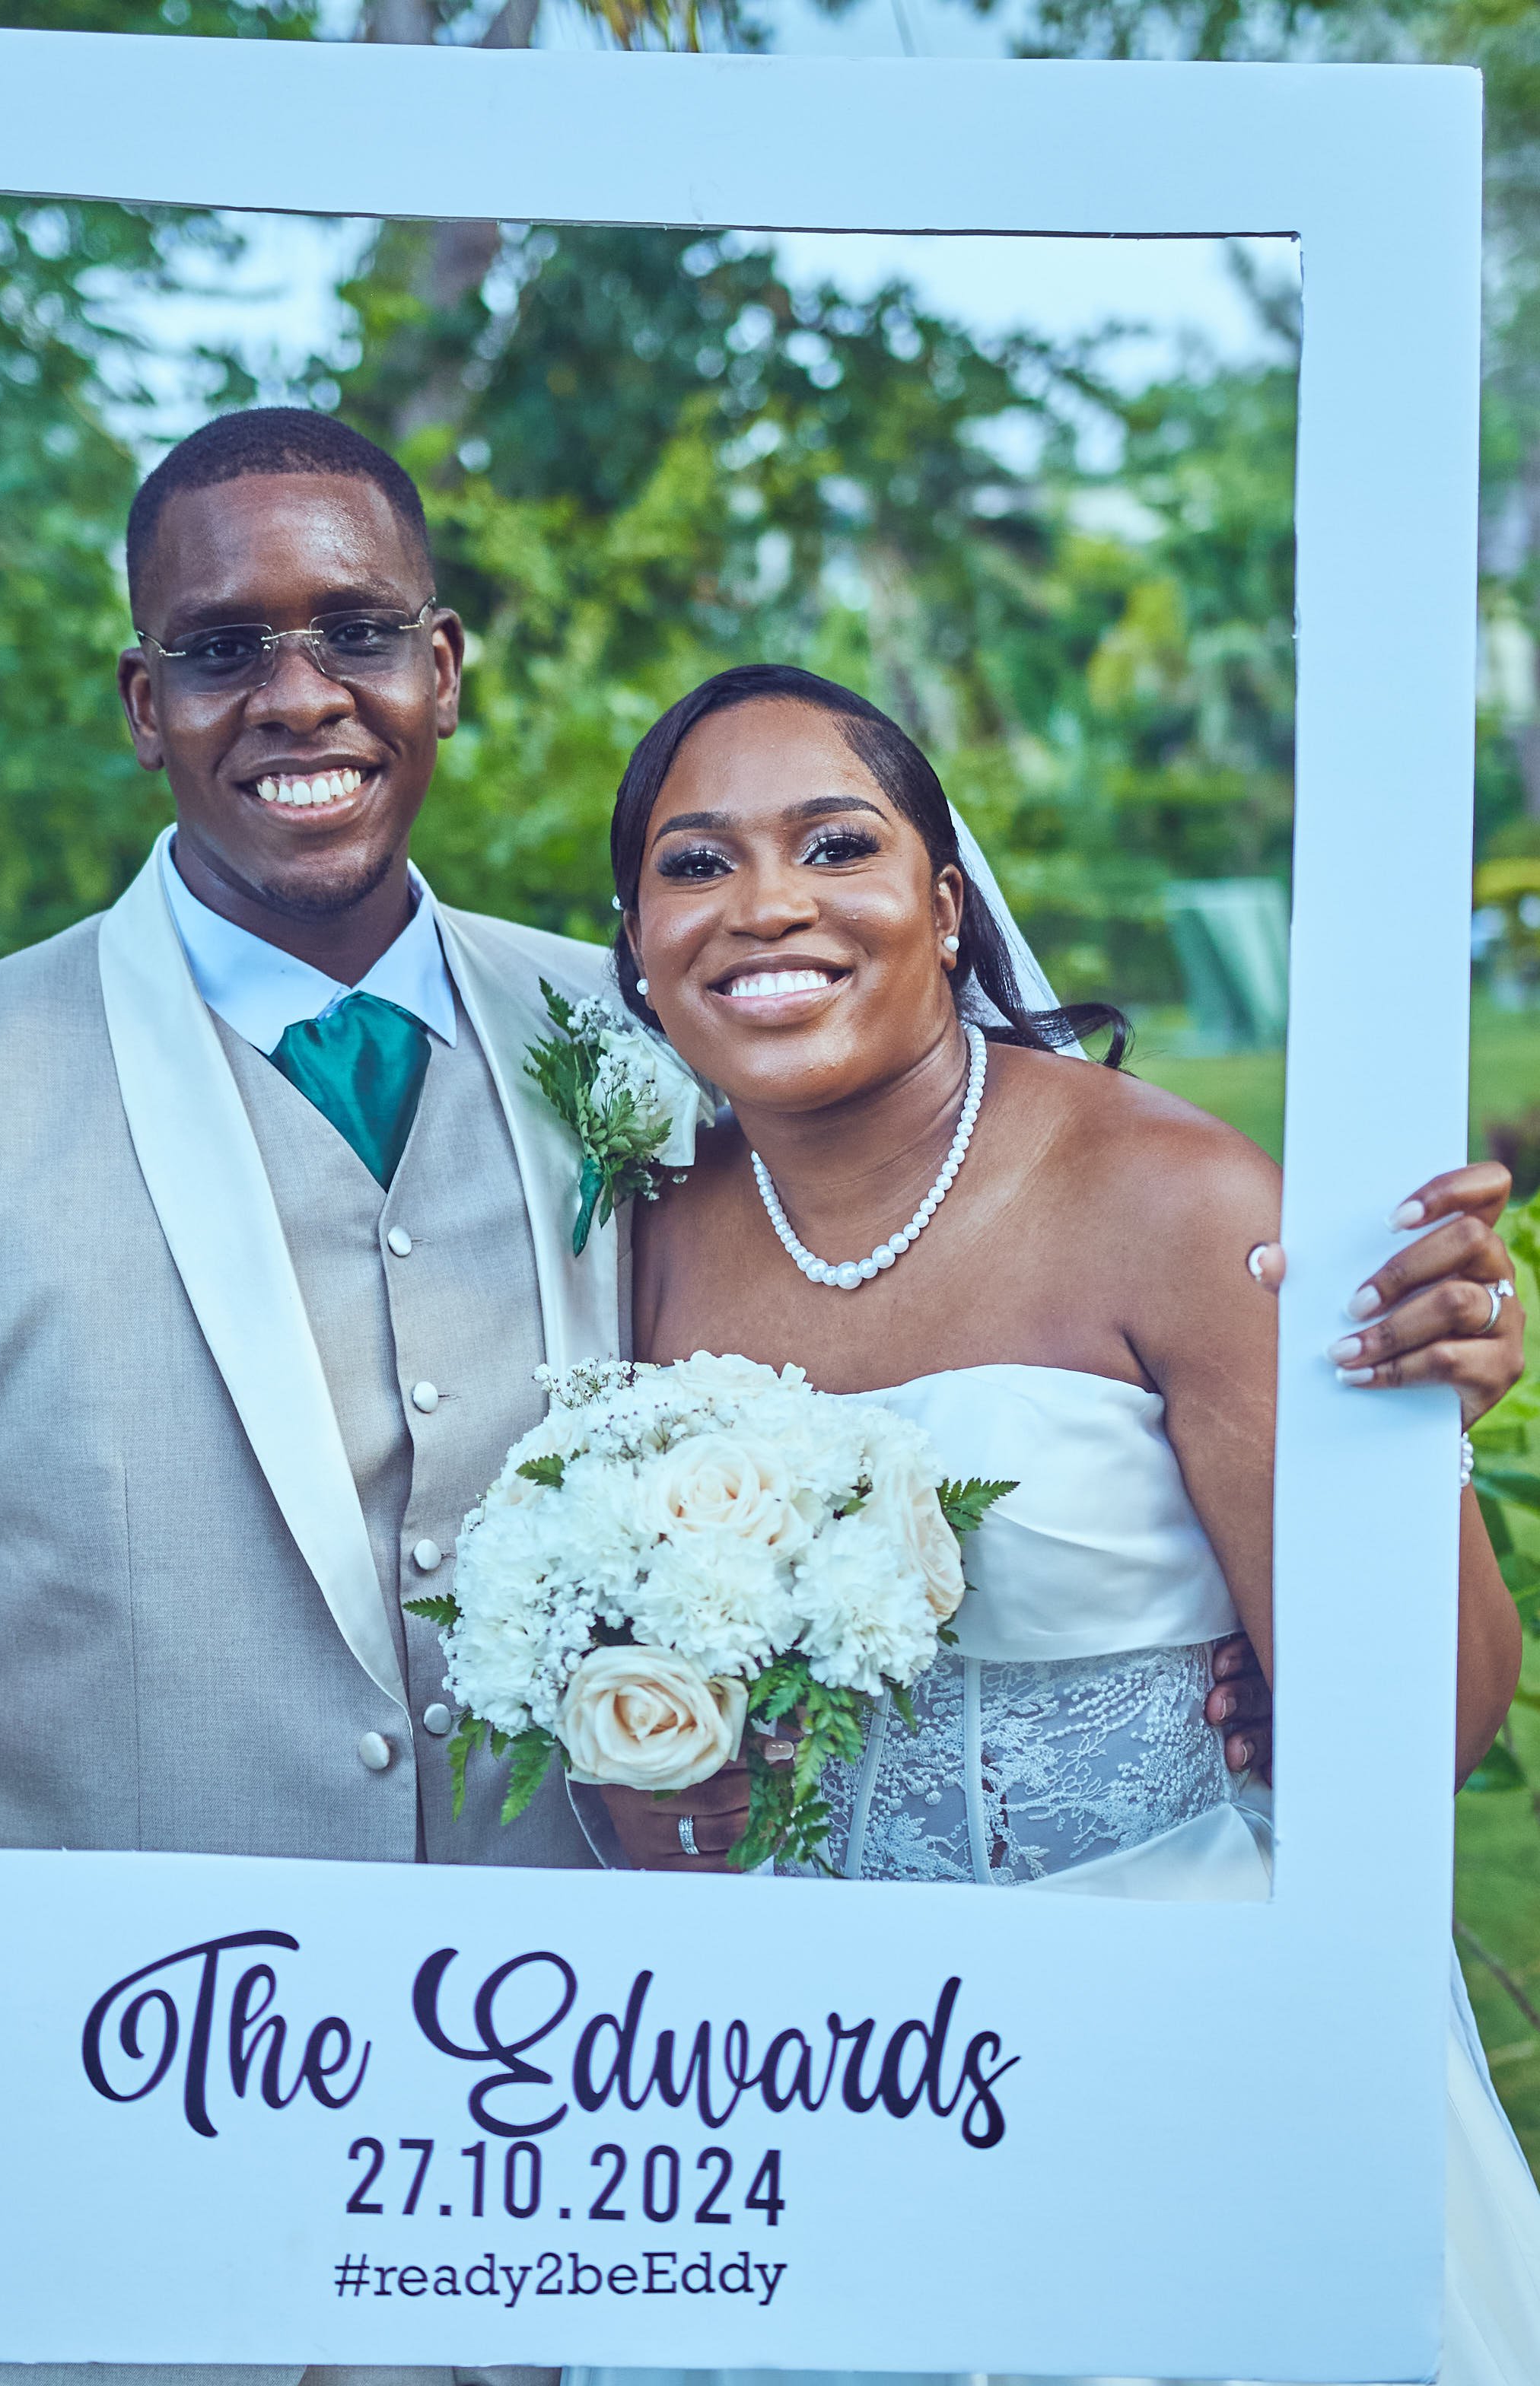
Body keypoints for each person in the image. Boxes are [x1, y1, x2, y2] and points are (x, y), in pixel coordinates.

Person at [0, 417, 1516, 2382]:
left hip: (639, 2145)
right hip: (162, 2109)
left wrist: (1400, 1395)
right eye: (221, 647)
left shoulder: (649, 1049)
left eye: (358, 630)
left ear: (442, 668)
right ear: (143, 698)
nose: (301, 694)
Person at [581, 662, 1540, 2386]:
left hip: (1174, 2056)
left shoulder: (1180, 1202)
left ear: (944, 905)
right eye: (696, 863)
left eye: (836, 843)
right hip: (793, 2100)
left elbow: (1431, 1721)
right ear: (640, 945)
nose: (768, 905)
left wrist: (1412, 1448)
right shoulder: (633, 1241)